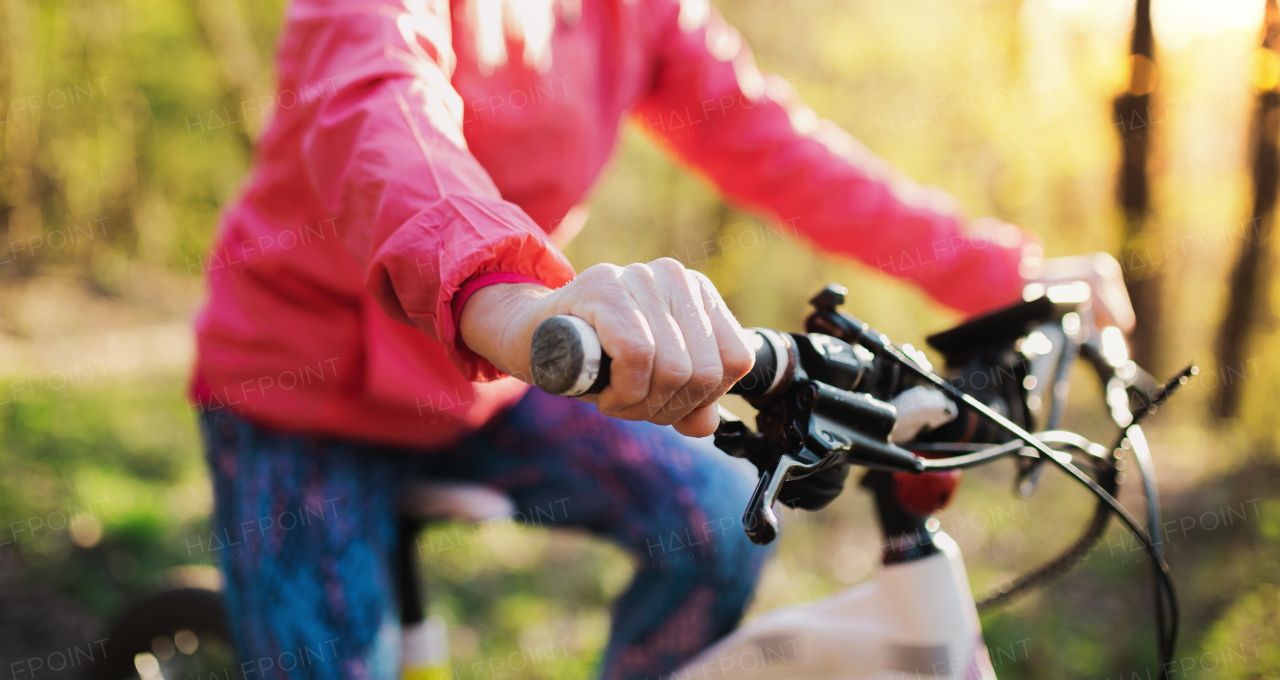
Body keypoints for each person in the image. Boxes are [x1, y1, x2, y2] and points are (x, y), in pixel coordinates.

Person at [191, 0, 1135, 678]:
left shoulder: (636, 13)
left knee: (717, 522)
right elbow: (377, 108)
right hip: (302, 393)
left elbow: (786, 151)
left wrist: (1009, 277)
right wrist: (502, 291)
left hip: (486, 386)